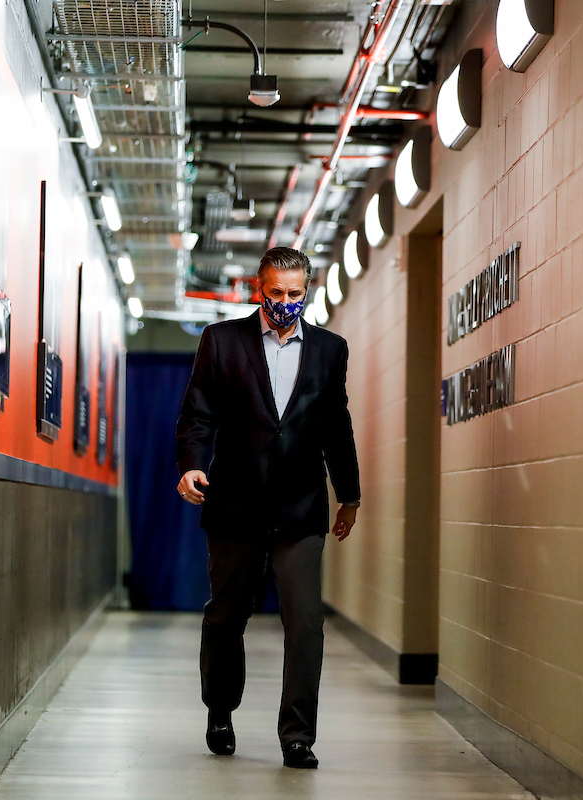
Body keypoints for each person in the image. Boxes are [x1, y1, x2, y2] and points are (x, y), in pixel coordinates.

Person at [175, 246, 361, 770]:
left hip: (300, 507)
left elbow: (336, 425)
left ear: (308, 290)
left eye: (295, 294)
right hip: (235, 501)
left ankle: (298, 736)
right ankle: (220, 709)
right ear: (260, 289)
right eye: (276, 293)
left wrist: (349, 493)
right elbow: (197, 413)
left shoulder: (329, 349)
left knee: (305, 623)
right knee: (226, 616)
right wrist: (191, 464)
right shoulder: (222, 341)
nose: (285, 302)